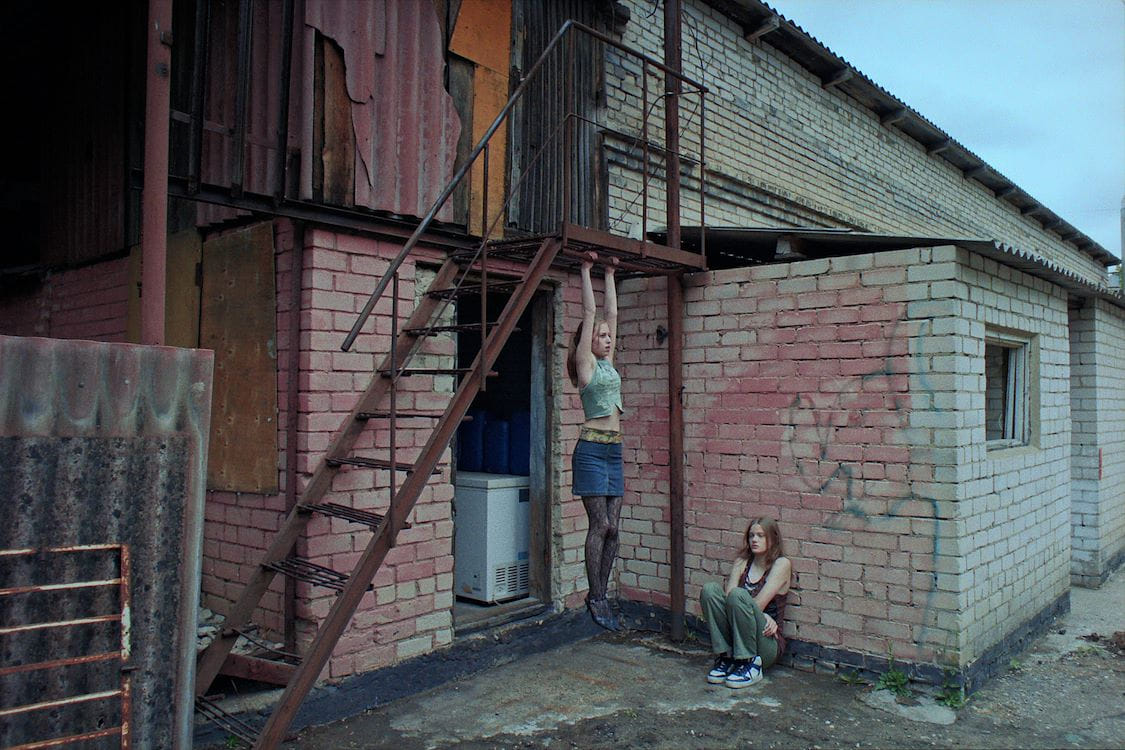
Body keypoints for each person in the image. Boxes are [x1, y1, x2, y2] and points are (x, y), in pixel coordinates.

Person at [568, 251, 624, 631]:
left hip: (613, 451)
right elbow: (592, 313)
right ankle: (597, 595)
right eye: (601, 336)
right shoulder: (586, 364)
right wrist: (586, 271)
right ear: (588, 341)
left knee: (614, 528)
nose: (606, 339)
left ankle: (600, 594)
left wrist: (610, 274)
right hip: (590, 450)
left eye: (607, 336)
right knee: (600, 525)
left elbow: (611, 314)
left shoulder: (608, 364)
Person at [699, 517, 791, 687]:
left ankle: (751, 664)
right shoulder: (742, 563)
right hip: (738, 637)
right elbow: (728, 604)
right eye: (751, 535)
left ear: (773, 539)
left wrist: (763, 615)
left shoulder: (781, 564)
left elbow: (757, 604)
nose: (754, 540)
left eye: (761, 536)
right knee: (710, 590)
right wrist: (762, 614)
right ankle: (726, 657)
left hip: (766, 642)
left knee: (738, 595)